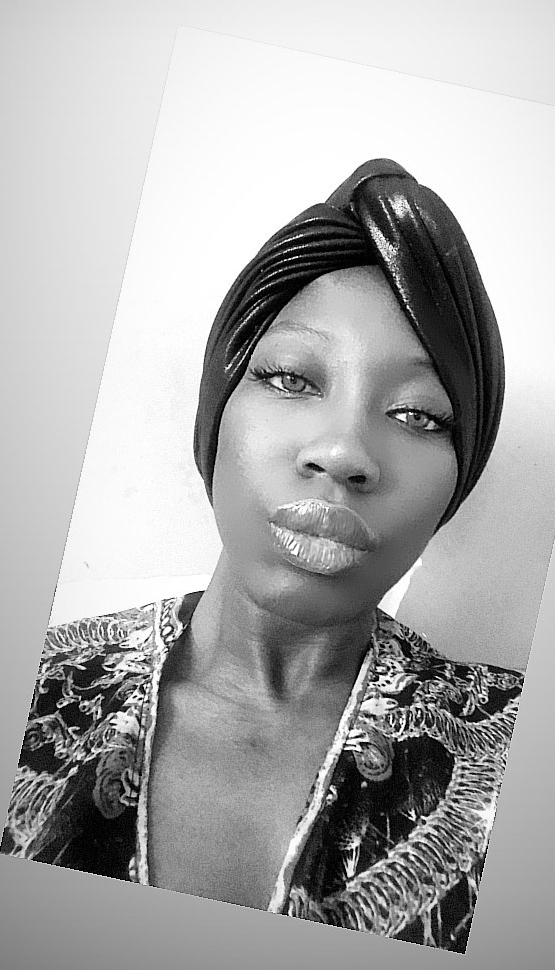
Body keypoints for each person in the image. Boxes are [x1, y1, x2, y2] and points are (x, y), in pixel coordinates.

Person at [1, 159, 522, 951]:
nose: (343, 451)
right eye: (290, 378)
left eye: (418, 415)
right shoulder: (39, 694)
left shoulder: (522, 750)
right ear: (216, 415)